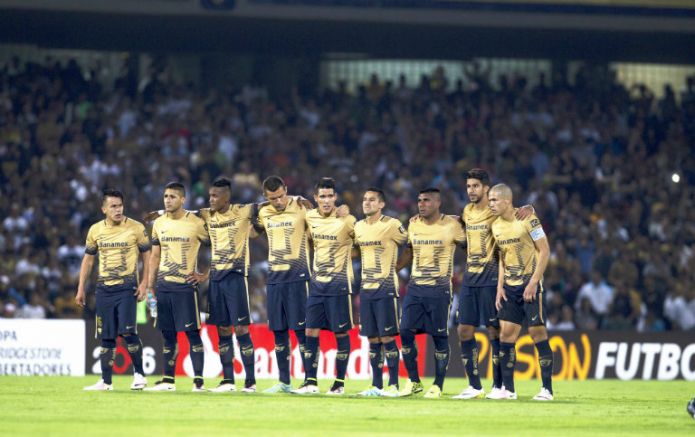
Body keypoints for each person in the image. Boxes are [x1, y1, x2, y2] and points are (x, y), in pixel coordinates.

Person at [453, 169, 533, 400]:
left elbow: (516, 212)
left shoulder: (495, 209)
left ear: (486, 189)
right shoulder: (467, 212)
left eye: (476, 186)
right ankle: (475, 386)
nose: (471, 191)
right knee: (463, 329)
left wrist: (530, 207)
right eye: (468, 186)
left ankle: (500, 386)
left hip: (490, 280)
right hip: (470, 279)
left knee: (494, 331)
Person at [190, 177, 259, 393]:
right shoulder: (207, 215)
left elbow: (270, 204)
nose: (210, 199)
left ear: (226, 197)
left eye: (215, 196)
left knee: (241, 328)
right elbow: (185, 214)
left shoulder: (243, 211)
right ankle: (228, 380)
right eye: (210, 195)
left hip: (236, 277)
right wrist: (160, 213)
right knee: (222, 329)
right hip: (216, 280)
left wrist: (296, 198)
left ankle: (250, 382)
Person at [78, 189, 151, 391]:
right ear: (104, 209)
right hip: (104, 289)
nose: (118, 210)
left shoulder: (136, 227)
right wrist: (81, 288)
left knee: (128, 332)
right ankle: (106, 381)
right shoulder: (95, 230)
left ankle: (139, 375)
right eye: (113, 206)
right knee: (106, 336)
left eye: (120, 205)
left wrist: (145, 282)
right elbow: (88, 260)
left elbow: (147, 255)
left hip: (127, 287)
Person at [397, 188, 466, 399]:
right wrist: (393, 269)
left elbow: (469, 246)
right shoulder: (414, 223)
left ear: (438, 203)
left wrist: (463, 221)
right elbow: (409, 250)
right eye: (419, 200)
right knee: (405, 331)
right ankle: (414, 381)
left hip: (440, 289)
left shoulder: (452, 226)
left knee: (439, 336)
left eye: (426, 200)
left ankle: (438, 384)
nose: (421, 204)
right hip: (415, 287)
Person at [488, 184, 554, 401]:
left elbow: (544, 250)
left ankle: (547, 390)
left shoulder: (529, 219)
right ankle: (509, 390)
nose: (491, 204)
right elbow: (502, 259)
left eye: (494, 200)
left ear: (507, 201)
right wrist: (499, 287)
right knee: (506, 336)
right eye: (489, 200)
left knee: (537, 334)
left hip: (530, 285)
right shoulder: (495, 226)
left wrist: (534, 282)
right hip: (509, 287)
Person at [144, 182, 211, 392]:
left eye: (173, 196)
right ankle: (168, 380)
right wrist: (150, 284)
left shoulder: (196, 223)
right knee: (168, 335)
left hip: (186, 287)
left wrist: (205, 274)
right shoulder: (158, 223)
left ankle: (198, 381)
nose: (167, 200)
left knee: (192, 334)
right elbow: (154, 256)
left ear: (183, 199)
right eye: (165, 196)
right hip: (164, 286)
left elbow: (219, 246)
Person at [292, 177, 356, 395]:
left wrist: (345, 255)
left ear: (335, 197)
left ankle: (339, 384)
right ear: (315, 198)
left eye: (330, 196)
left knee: (340, 333)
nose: (326, 200)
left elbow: (361, 243)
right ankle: (310, 381)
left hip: (339, 286)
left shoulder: (347, 220)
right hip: (317, 284)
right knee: (310, 331)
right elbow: (310, 241)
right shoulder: (310, 217)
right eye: (322, 196)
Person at [256, 176, 314, 393]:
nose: (278, 201)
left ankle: (310, 381)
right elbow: (251, 223)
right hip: (274, 280)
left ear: (286, 190)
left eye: (281, 196)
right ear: (265, 197)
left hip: (298, 278)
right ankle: (284, 382)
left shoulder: (302, 207)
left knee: (301, 332)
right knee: (279, 332)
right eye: (273, 198)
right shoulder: (264, 212)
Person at [353, 188, 407, 397]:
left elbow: (410, 243)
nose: (367, 203)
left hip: (386, 290)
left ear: (381, 204)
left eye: (372, 200)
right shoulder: (358, 227)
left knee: (387, 337)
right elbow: (357, 250)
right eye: (365, 199)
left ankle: (393, 385)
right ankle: (376, 386)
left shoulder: (392, 225)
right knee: (372, 339)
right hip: (366, 290)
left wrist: (398, 267)